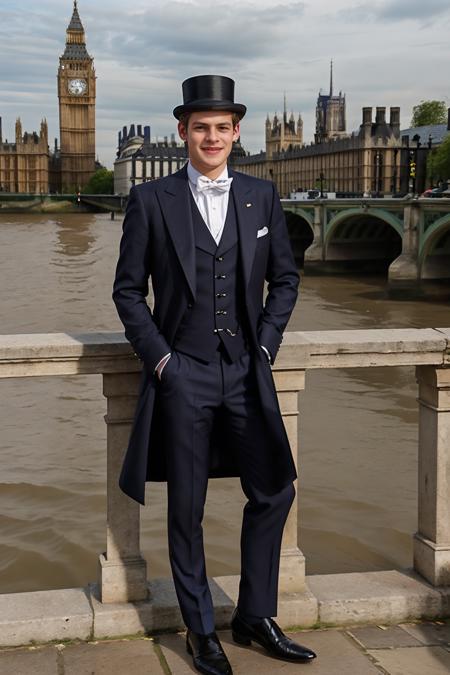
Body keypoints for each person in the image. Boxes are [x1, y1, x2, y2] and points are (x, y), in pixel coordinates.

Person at [112, 74, 317, 675]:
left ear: (235, 133)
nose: (211, 136)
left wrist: (267, 348)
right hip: (184, 372)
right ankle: (202, 629)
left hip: (246, 371)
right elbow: (128, 292)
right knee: (187, 508)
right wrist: (164, 362)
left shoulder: (262, 196)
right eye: (199, 127)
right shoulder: (151, 202)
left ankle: (255, 614)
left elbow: (285, 280)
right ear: (183, 132)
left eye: (221, 127)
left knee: (275, 489)